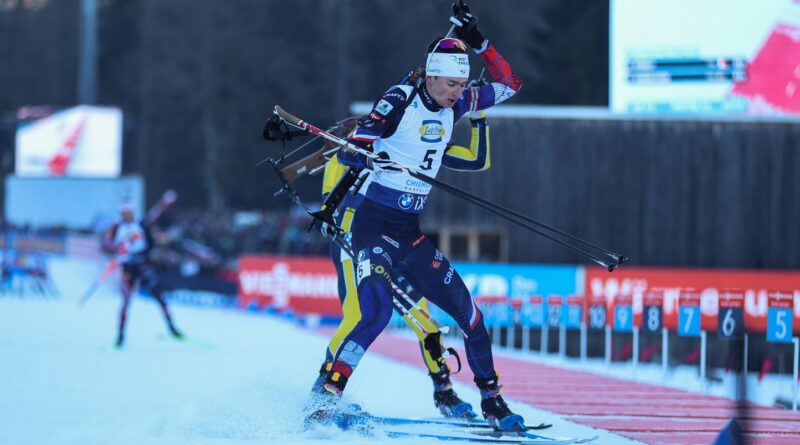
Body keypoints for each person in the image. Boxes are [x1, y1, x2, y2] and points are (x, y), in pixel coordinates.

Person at [307, 3, 525, 432]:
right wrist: (370, 154)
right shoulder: (399, 100)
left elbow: (510, 83)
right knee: (376, 312)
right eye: (449, 84)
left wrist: (479, 41)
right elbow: (358, 145)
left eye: (462, 85)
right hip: (373, 228)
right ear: (430, 76)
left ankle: (493, 401)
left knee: (472, 318)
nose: (456, 93)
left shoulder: (457, 104)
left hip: (409, 234)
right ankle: (327, 394)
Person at [315, 103, 491, 419]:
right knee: (360, 318)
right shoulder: (358, 150)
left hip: (400, 248)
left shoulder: (411, 146)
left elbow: (477, 160)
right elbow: (331, 204)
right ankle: (322, 391)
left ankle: (444, 394)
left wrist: (478, 116)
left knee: (428, 327)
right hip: (357, 248)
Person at [103, 202, 183, 348]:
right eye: (124, 212)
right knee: (126, 301)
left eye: (130, 212)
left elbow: (152, 241)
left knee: (159, 295)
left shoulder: (141, 224)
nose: (127, 215)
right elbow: (106, 245)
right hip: (128, 268)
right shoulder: (116, 228)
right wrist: (117, 249)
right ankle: (120, 336)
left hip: (142, 265)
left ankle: (172, 328)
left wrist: (155, 246)